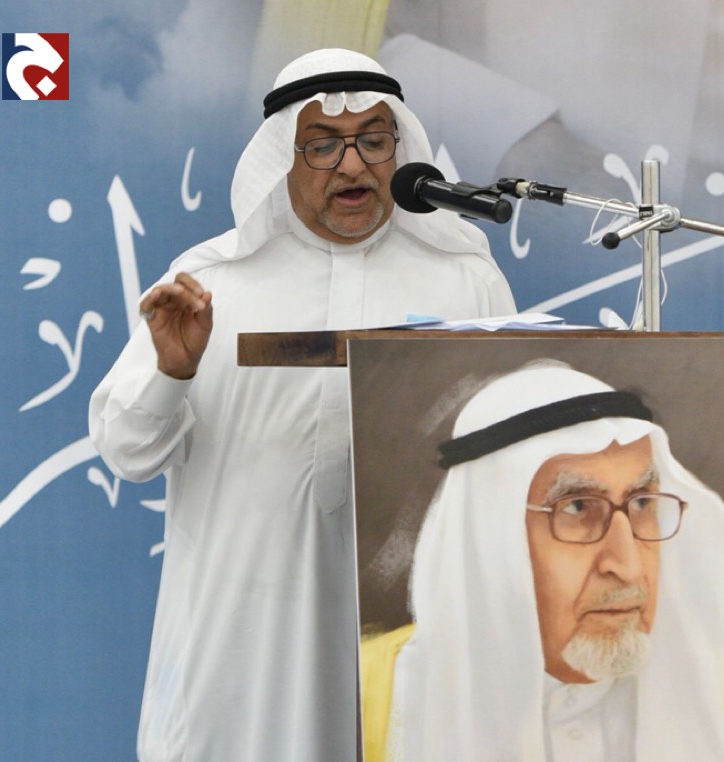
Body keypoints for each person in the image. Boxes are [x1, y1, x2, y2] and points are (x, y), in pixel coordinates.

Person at [89, 48, 516, 762]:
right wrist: (172, 372)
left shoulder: (464, 279)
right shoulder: (210, 283)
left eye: (373, 140)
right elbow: (128, 453)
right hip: (245, 648)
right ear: (280, 159)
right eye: (323, 145)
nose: (353, 167)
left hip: (412, 639)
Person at [360, 361, 724, 761]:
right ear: (491, 537)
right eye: (577, 507)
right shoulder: (366, 693)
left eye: (642, 502)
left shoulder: (723, 679)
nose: (628, 566)